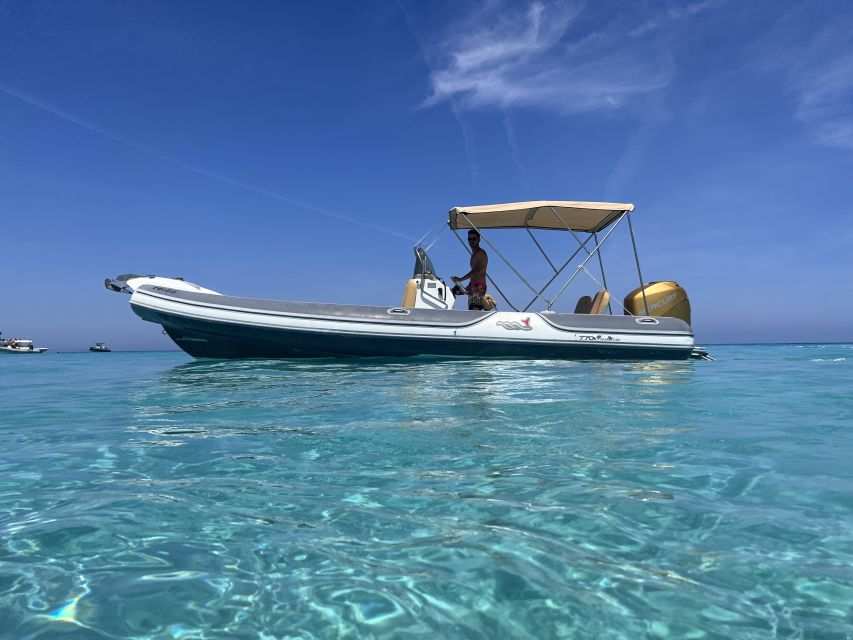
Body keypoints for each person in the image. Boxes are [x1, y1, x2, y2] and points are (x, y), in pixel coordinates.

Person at [452, 229, 489, 310]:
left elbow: (476, 271)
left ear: (479, 239)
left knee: (474, 312)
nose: (471, 241)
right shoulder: (474, 254)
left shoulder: (480, 253)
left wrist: (461, 279)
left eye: (474, 239)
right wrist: (465, 288)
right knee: (454, 291)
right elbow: (475, 276)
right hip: (473, 287)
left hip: (479, 289)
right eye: (469, 239)